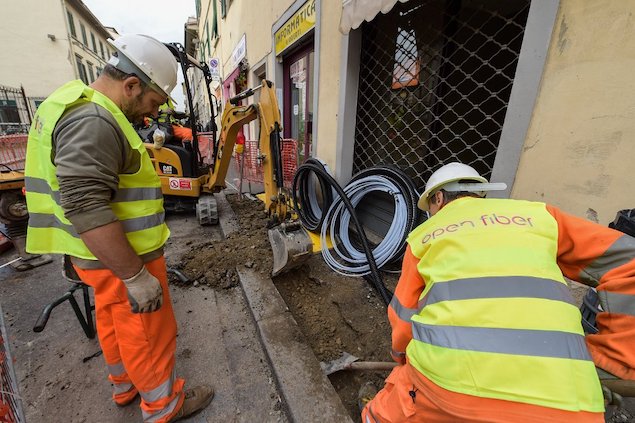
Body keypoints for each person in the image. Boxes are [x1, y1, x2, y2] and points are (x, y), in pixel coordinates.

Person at [24, 34, 214, 422]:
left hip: (93, 255)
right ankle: (164, 405)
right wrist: (136, 274)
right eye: (152, 102)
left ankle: (125, 386)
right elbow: (86, 204)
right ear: (130, 85)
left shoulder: (74, 102)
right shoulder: (94, 121)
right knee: (147, 331)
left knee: (113, 319)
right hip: (122, 252)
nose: (150, 114)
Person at [361, 162, 635, 422]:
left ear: (439, 199)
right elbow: (629, 261)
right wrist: (612, 363)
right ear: (480, 194)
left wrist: (401, 358)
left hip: (447, 387)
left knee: (384, 410)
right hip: (569, 401)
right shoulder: (540, 216)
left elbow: (403, 319)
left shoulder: (425, 235)